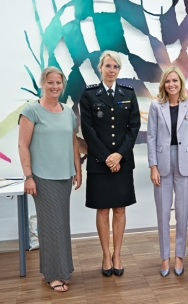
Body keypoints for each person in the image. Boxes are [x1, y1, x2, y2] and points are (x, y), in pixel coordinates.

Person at [18, 66, 82, 292]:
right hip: (42, 177)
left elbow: (72, 141)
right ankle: (54, 275)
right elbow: (22, 145)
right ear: (42, 84)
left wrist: (78, 168)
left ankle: (62, 270)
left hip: (64, 176)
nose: (55, 87)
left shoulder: (67, 112)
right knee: (51, 225)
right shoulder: (31, 111)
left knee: (61, 224)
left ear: (63, 85)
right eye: (50, 82)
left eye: (58, 83)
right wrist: (28, 177)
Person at [80, 50, 140, 277]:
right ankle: (106, 255)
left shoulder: (128, 93)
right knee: (103, 210)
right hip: (99, 162)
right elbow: (88, 130)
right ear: (100, 68)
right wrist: (107, 157)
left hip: (122, 163)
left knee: (120, 209)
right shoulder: (89, 95)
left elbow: (133, 129)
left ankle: (118, 255)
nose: (111, 70)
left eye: (115, 66)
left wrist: (119, 155)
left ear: (119, 69)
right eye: (108, 66)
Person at [147, 66, 188, 277]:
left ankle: (179, 256)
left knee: (182, 213)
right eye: (168, 81)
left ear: (181, 83)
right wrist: (153, 166)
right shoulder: (155, 106)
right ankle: (164, 258)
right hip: (162, 163)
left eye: (175, 81)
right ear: (163, 84)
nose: (171, 84)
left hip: (186, 164)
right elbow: (151, 137)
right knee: (162, 214)